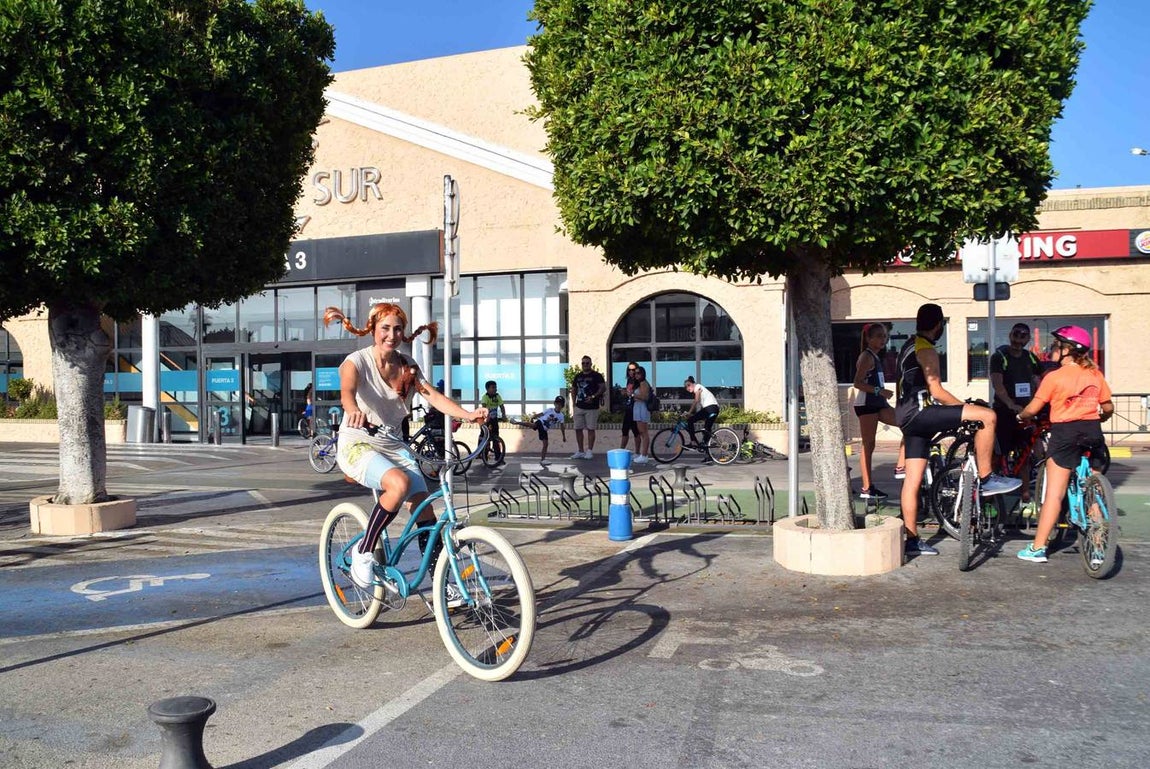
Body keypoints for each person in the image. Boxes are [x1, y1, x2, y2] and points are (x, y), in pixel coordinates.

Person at [323, 303, 488, 588]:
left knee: (425, 510)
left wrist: (468, 414)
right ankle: (363, 552)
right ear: (373, 329)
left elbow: (433, 396)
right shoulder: (356, 361)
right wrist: (352, 410)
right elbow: (347, 392)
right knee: (397, 484)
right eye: (385, 328)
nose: (391, 334)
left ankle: (443, 586)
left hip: (394, 444)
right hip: (359, 441)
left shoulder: (408, 366)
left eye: (398, 328)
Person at [895, 303, 1021, 557]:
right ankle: (986, 478)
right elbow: (937, 391)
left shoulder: (907, 346)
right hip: (921, 412)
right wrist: (965, 406)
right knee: (986, 416)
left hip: (906, 417)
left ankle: (911, 539)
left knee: (912, 480)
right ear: (938, 325)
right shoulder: (926, 347)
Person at [1015, 325, 1113, 563]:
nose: (1052, 350)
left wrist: (1021, 416)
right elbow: (1108, 407)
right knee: (1094, 489)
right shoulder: (1095, 374)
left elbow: (1034, 408)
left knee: (1054, 495)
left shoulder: (1054, 377)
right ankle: (1098, 550)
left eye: (1056, 346)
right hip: (1093, 432)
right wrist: (1100, 417)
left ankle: (1038, 548)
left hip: (1064, 434)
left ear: (1066, 350)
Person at [990, 322, 1044, 501]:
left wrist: (1039, 402)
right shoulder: (999, 357)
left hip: (1026, 411)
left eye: (1023, 336)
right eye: (1016, 335)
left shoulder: (1031, 358)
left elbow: (1039, 380)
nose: (1019, 339)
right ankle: (989, 492)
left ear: (1028, 339)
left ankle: (1026, 494)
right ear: (1010, 336)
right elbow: (998, 386)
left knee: (1025, 454)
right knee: (999, 453)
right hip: (1005, 411)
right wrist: (1010, 404)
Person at [851, 323, 904, 500]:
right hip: (867, 405)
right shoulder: (866, 357)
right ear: (869, 338)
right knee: (869, 445)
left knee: (907, 422)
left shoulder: (875, 356)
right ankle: (867, 487)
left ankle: (901, 465)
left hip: (879, 404)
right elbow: (857, 383)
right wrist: (879, 391)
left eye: (884, 336)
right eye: (879, 336)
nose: (883, 339)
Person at [570, 356, 607, 459]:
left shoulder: (597, 376)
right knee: (578, 429)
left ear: (591, 364)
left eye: (587, 363)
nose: (585, 365)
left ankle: (589, 451)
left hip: (592, 407)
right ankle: (580, 450)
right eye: (583, 363)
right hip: (579, 406)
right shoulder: (578, 376)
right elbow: (573, 389)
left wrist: (594, 396)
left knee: (591, 429)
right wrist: (573, 404)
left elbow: (603, 388)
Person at [526, 396, 567, 464]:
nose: (558, 406)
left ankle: (543, 460)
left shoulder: (561, 416)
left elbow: (562, 426)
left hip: (544, 429)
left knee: (545, 444)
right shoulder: (550, 409)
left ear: (562, 406)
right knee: (533, 425)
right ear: (554, 404)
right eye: (557, 404)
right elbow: (541, 414)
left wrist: (564, 436)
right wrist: (534, 416)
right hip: (540, 422)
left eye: (560, 404)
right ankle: (516, 422)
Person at [683, 376, 720, 447]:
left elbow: (696, 400)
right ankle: (707, 452)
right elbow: (700, 409)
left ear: (692, 384)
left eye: (688, 386)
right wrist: (692, 414)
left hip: (710, 408)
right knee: (707, 429)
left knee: (690, 421)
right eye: (686, 387)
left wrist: (689, 412)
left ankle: (693, 441)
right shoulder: (699, 388)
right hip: (713, 409)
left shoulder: (698, 387)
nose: (687, 388)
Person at [480, 379, 506, 464]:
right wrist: (485, 418)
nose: (495, 389)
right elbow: (484, 408)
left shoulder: (497, 396)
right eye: (493, 387)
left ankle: (498, 458)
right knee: (485, 438)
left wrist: (503, 415)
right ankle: (483, 455)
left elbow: (502, 406)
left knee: (496, 438)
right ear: (487, 389)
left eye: (496, 387)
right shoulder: (485, 397)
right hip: (487, 420)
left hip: (494, 420)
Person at [631, 366, 653, 463]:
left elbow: (645, 397)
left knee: (644, 432)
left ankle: (644, 455)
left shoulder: (644, 383)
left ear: (643, 374)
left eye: (638, 373)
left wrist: (632, 395)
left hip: (642, 408)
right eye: (635, 373)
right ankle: (642, 454)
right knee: (641, 432)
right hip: (638, 408)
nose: (636, 375)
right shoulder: (639, 384)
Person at [619, 361, 641, 452]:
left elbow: (640, 395)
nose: (631, 372)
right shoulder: (629, 380)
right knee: (625, 430)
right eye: (629, 370)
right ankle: (621, 450)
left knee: (636, 431)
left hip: (635, 408)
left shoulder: (639, 381)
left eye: (633, 369)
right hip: (628, 407)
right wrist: (624, 393)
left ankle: (637, 452)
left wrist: (628, 394)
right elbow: (629, 393)